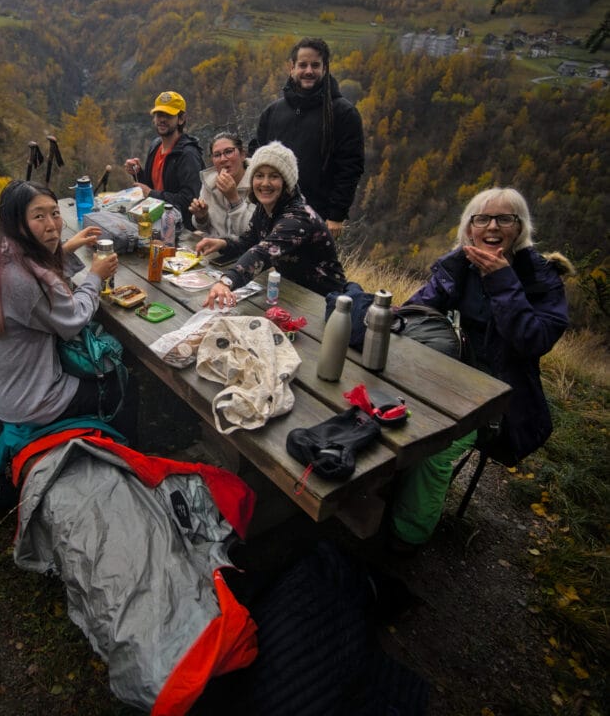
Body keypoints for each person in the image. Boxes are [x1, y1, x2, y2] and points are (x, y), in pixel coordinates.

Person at [388, 187, 572, 551]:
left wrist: (502, 281)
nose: (492, 226)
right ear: (469, 227)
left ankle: (406, 537)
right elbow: (417, 310)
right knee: (378, 413)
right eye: (482, 218)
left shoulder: (540, 278)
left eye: (504, 218)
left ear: (520, 228)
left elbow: (534, 340)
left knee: (433, 450)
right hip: (440, 376)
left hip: (495, 400)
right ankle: (378, 498)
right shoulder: (459, 265)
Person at [0, 180, 136, 442]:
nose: (51, 224)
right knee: (120, 381)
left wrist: (66, 248)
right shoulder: (26, 280)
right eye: (39, 216)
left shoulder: (2, 250)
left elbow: (40, 273)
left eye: (55, 213)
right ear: (16, 222)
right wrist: (95, 276)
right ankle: (123, 448)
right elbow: (74, 319)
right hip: (29, 401)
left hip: (3, 386)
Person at [196, 141, 346, 309]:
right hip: (293, 294)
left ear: (286, 182)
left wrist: (227, 281)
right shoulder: (265, 208)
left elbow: (263, 252)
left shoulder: (298, 218)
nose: (265, 183)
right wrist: (223, 243)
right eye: (259, 175)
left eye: (274, 176)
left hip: (323, 301)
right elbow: (249, 241)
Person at [256, 38, 364, 238]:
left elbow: (350, 168)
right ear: (292, 68)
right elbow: (257, 158)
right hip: (272, 214)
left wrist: (336, 215)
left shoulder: (343, 113)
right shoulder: (273, 112)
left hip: (317, 218)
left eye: (315, 65)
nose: (308, 71)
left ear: (325, 68)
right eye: (302, 65)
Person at [123, 90, 204, 230]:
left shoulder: (188, 154)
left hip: (180, 229)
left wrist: (151, 193)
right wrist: (137, 172)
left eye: (168, 115)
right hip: (155, 220)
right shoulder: (155, 145)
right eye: (159, 114)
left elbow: (190, 200)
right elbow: (150, 186)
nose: (162, 119)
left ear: (181, 119)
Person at [188, 131, 255, 239]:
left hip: (244, 252)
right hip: (213, 250)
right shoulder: (209, 182)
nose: (223, 159)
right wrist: (201, 217)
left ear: (242, 155)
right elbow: (203, 227)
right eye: (217, 155)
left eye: (228, 152)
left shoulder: (257, 183)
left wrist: (234, 199)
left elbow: (251, 232)